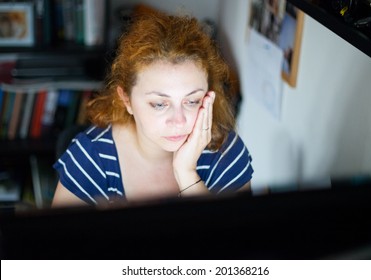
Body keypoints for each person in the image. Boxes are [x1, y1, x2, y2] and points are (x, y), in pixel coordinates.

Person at [51, 11, 253, 208]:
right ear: (127, 100)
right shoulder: (91, 158)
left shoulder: (226, 153)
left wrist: (187, 174)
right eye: (159, 104)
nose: (179, 121)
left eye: (192, 101)